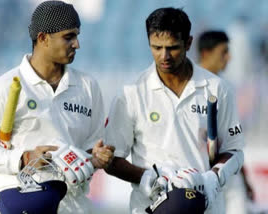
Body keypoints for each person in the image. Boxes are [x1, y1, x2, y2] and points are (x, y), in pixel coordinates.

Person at [0, 1, 114, 214]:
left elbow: (92, 148)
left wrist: (97, 158)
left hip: (72, 203)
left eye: (77, 36)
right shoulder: (7, 86)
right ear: (43, 38)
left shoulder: (88, 87)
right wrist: (23, 159)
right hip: (19, 195)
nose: (77, 44)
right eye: (68, 37)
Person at [105, 7, 245, 214]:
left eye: (172, 47)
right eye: (157, 47)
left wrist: (212, 177)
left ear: (188, 43)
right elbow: (112, 159)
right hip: (150, 206)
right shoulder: (130, 93)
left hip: (205, 206)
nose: (165, 56)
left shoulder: (218, 89)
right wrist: (151, 178)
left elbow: (235, 150)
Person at [197, 30, 254, 214]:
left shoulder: (225, 87)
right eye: (224, 51)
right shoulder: (188, 86)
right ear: (206, 53)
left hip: (228, 173)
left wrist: (244, 178)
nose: (229, 57)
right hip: (200, 174)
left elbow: (233, 140)